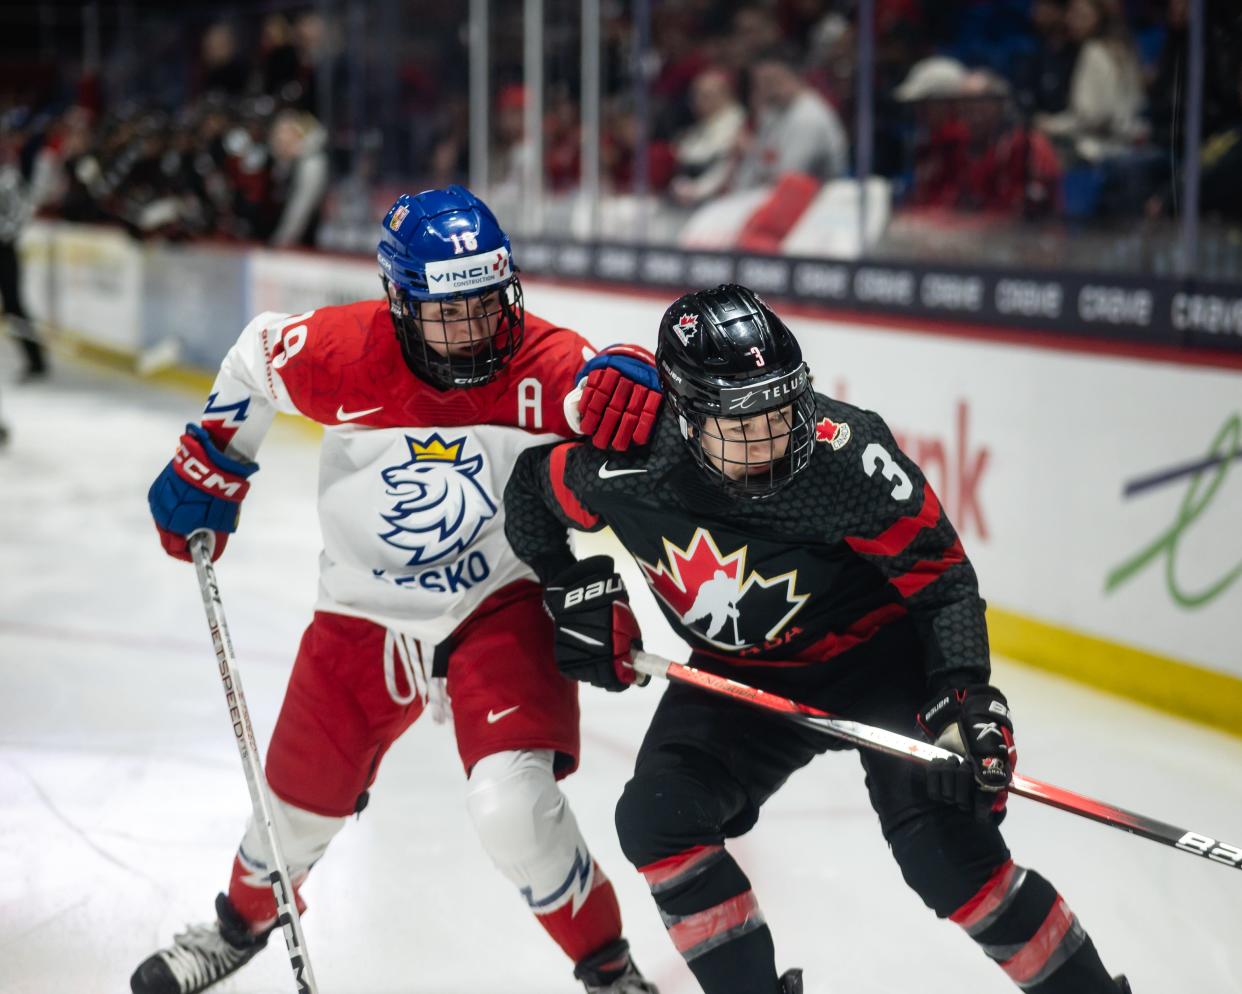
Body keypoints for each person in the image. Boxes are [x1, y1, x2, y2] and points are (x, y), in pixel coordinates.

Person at [503, 284, 1133, 994]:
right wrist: (571, 585)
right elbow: (529, 492)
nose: (771, 439)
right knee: (657, 817)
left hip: (880, 667)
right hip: (742, 678)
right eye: (741, 426)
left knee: (950, 858)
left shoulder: (844, 459)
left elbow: (942, 579)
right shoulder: (626, 468)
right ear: (681, 417)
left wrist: (964, 693)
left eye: (780, 408)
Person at [135, 186, 663, 994]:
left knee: (511, 809)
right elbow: (253, 354)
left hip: (499, 600)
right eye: (450, 312)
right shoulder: (336, 352)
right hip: (363, 605)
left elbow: (606, 405)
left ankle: (610, 971)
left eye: (489, 304)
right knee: (293, 800)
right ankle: (237, 927)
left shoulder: (538, 362)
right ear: (399, 300)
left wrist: (634, 379)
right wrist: (212, 456)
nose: (476, 330)